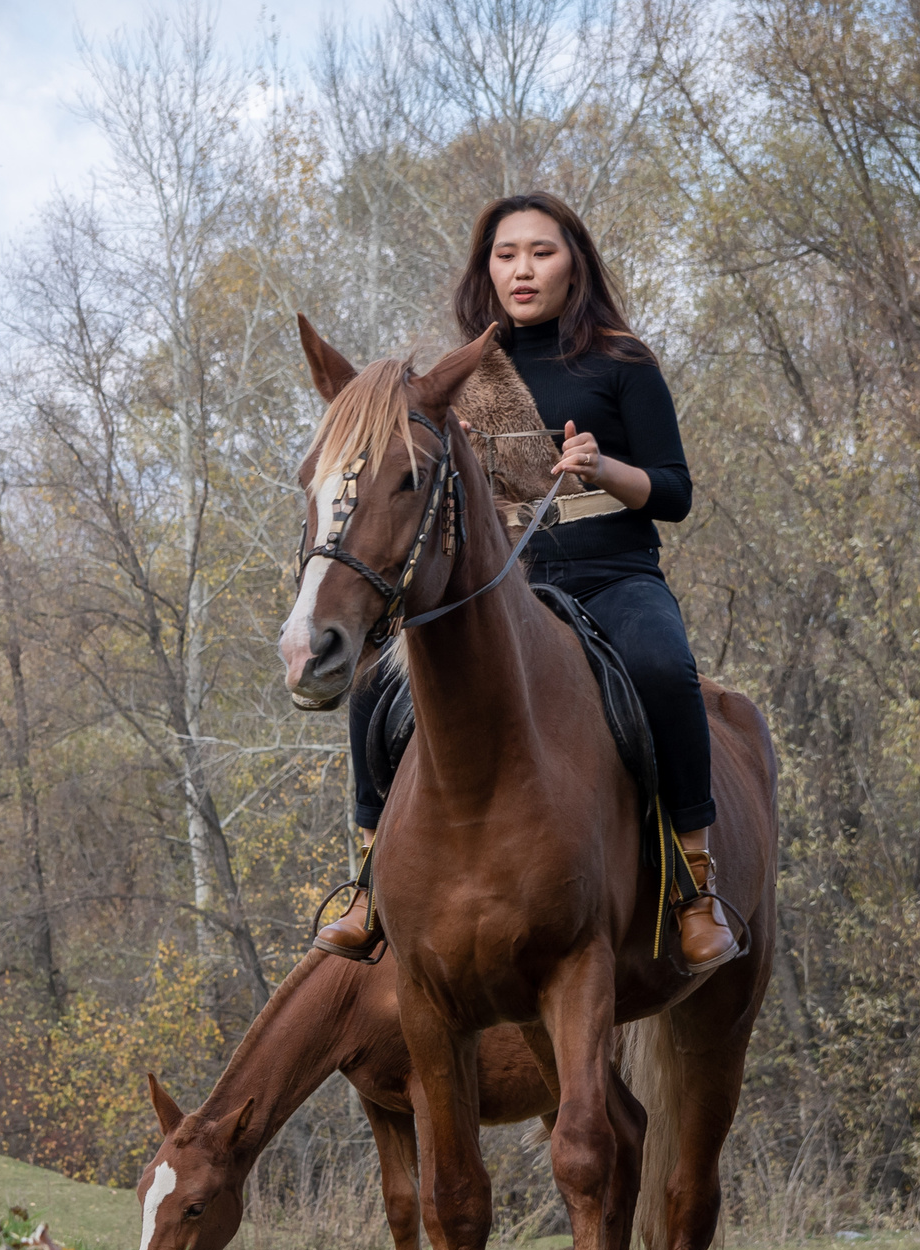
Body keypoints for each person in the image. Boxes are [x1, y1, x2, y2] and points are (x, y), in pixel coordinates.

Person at [314, 191, 742, 973]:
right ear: (486, 268)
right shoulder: (459, 379)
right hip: (504, 588)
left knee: (661, 665)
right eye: (506, 254)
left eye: (541, 252)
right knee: (377, 677)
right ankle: (369, 881)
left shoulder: (623, 363)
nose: (522, 269)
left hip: (613, 576)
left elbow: (675, 494)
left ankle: (694, 884)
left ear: (574, 261)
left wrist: (602, 466)